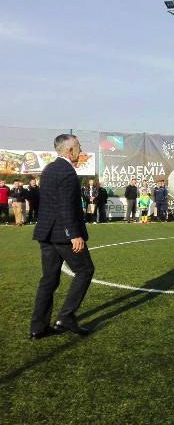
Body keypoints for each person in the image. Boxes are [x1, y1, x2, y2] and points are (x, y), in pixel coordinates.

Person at [31, 134, 94, 338]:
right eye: (79, 146)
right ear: (70, 150)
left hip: (46, 233)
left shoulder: (49, 169)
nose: (81, 150)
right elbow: (66, 206)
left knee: (49, 280)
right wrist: (74, 234)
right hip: (62, 234)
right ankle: (66, 317)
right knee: (85, 270)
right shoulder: (67, 172)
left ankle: (38, 327)